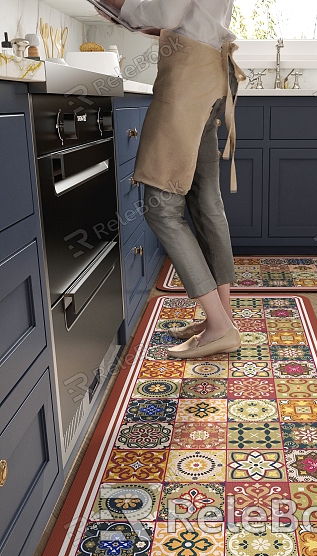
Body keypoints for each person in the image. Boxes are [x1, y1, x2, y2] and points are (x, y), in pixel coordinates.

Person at [101, 0, 246, 359]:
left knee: (162, 210)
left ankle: (219, 326)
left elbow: (168, 13)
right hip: (212, 70)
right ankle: (222, 316)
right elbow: (188, 16)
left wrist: (118, 5)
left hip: (189, 77)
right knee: (206, 201)